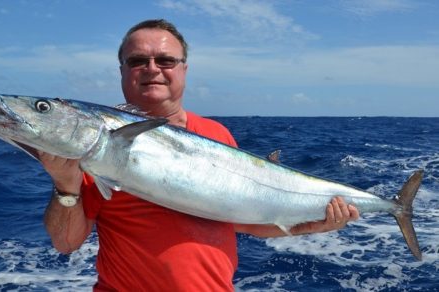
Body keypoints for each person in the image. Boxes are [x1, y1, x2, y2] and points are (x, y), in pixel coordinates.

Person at [41, 19, 359, 291]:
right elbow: (65, 243)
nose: (152, 69)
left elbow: (241, 220)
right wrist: (65, 186)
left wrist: (312, 225)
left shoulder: (217, 134)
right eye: (138, 61)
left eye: (165, 60)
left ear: (184, 69)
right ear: (122, 70)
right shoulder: (88, 153)